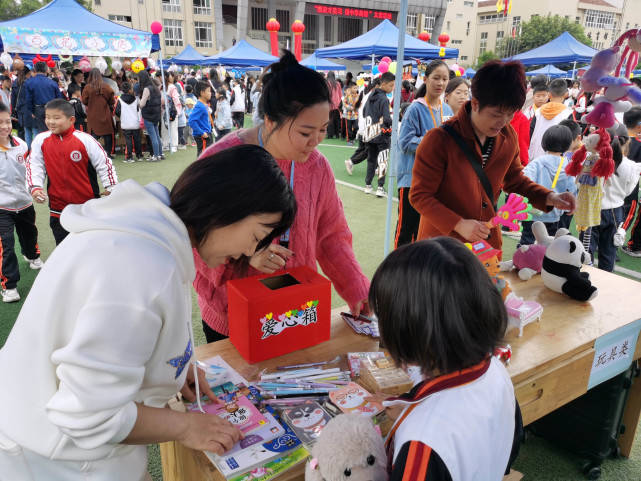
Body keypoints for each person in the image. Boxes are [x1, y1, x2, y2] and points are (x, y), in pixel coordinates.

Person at [0, 145, 296, 481]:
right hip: (56, 463)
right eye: (257, 235)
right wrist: (185, 427)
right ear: (226, 205)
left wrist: (173, 365)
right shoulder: (141, 267)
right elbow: (89, 416)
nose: (249, 252)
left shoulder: (146, 235)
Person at [195, 51, 370, 343]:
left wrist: (358, 291)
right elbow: (195, 239)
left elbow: (332, 236)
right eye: (305, 132)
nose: (315, 142)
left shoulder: (317, 167)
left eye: (323, 129)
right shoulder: (222, 161)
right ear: (270, 121)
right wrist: (248, 252)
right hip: (233, 314)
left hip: (296, 309)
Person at [371, 238, 521, 481]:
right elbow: (509, 445)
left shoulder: (421, 447)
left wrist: (421, 422)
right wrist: (415, 413)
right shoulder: (496, 370)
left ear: (409, 330)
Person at [410, 60, 576, 250]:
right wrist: (458, 223)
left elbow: (515, 180)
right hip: (441, 246)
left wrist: (549, 197)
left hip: (486, 244)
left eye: (510, 114)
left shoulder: (508, 136)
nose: (503, 122)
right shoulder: (438, 140)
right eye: (496, 114)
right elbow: (420, 195)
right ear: (475, 103)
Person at [26, 99, 118, 245]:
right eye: (47, 117)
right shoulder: (40, 140)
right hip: (58, 208)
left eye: (56, 118)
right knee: (63, 247)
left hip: (87, 205)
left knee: (91, 245)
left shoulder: (85, 139)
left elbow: (104, 164)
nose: (50, 122)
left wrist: (111, 188)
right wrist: (35, 187)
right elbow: (34, 165)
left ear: (72, 120)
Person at [396, 61, 453, 248]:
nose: (440, 83)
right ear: (426, 79)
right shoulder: (415, 108)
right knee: (407, 231)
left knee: (426, 232)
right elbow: (404, 142)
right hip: (412, 181)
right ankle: (397, 272)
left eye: (445, 79)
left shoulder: (448, 110)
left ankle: (418, 273)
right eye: (436, 78)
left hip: (436, 184)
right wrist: (434, 143)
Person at [0, 102, 42, 304]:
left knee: (29, 234)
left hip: (25, 203)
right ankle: (9, 286)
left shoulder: (22, 145)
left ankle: (32, 255)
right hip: (2, 208)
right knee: (6, 245)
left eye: (7, 121)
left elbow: (31, 171)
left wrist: (34, 188)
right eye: (0, 123)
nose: (4, 126)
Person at [592, 124, 641, 271]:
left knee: (586, 248)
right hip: (615, 210)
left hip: (592, 208)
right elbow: (629, 191)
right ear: (627, 143)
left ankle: (583, 281)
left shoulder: (592, 159)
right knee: (608, 253)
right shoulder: (631, 166)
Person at [519, 125, 577, 246]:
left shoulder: (537, 162)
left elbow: (523, 179)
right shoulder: (568, 165)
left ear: (544, 143)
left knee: (527, 242)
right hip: (554, 214)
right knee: (549, 245)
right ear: (567, 145)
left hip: (533, 212)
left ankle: (523, 262)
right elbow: (572, 188)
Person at [362, 72, 395, 197]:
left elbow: (364, 112)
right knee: (382, 160)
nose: (392, 88)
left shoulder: (371, 95)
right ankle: (380, 187)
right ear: (384, 84)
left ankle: (368, 185)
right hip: (382, 134)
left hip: (370, 132)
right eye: (391, 86)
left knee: (371, 160)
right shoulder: (384, 99)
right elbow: (386, 119)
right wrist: (393, 121)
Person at [529, 79, 571, 160]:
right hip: (556, 157)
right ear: (566, 94)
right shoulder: (567, 114)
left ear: (549, 94)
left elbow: (531, 131)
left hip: (536, 155)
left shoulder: (539, 111)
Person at [82, 68, 116, 158]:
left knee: (93, 136)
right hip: (105, 113)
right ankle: (108, 153)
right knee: (107, 135)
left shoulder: (87, 88)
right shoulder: (106, 87)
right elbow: (112, 101)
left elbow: (84, 101)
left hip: (93, 114)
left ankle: (93, 154)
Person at [622, 106, 641, 257]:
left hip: (612, 184)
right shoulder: (639, 143)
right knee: (627, 214)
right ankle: (614, 242)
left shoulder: (616, 138)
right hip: (630, 187)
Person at [557, 118, 583, 230]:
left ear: (578, 139)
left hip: (570, 197)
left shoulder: (585, 155)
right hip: (558, 195)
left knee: (562, 227)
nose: (563, 145)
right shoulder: (564, 150)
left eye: (567, 142)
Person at [24, 61, 61, 137]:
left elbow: (28, 99)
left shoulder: (29, 82)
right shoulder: (52, 83)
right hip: (52, 108)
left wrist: (31, 111)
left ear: (35, 69)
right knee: (52, 130)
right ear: (46, 69)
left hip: (38, 109)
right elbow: (59, 98)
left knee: (41, 132)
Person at [115, 81, 144, 163]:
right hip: (135, 122)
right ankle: (139, 156)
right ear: (130, 89)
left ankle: (130, 157)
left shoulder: (119, 99)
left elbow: (117, 111)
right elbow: (139, 109)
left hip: (125, 123)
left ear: (122, 90)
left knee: (128, 141)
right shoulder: (135, 99)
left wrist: (122, 116)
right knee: (137, 139)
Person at [138, 70, 163, 162]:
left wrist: (138, 103)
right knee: (157, 135)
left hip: (148, 115)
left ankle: (156, 156)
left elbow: (142, 103)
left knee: (153, 136)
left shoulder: (146, 89)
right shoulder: (155, 87)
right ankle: (160, 154)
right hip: (156, 114)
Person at [188, 80, 213, 158]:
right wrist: (202, 132)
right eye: (208, 91)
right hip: (203, 136)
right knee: (203, 157)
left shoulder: (203, 104)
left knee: (207, 156)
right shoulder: (200, 106)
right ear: (202, 93)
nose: (210, 93)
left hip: (206, 134)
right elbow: (191, 121)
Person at [11, 66, 33, 144]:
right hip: (30, 109)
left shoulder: (15, 82)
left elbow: (13, 98)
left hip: (20, 110)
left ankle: (23, 148)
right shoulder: (30, 82)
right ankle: (31, 150)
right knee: (31, 130)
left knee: (22, 130)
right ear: (27, 73)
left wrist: (14, 109)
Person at [162, 71, 182, 153]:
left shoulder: (171, 87)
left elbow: (176, 99)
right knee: (166, 127)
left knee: (171, 127)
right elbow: (176, 99)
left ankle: (173, 145)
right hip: (166, 110)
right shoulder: (164, 86)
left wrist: (178, 110)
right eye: (170, 76)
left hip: (171, 110)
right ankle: (167, 144)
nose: (171, 77)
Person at [326, 71, 343, 139]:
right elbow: (340, 94)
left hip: (329, 103)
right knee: (337, 120)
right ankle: (337, 134)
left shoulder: (326, 83)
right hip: (338, 104)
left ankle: (330, 134)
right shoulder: (338, 83)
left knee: (330, 119)